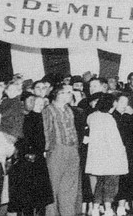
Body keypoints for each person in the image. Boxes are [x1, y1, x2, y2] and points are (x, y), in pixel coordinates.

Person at [8, 94, 54, 216]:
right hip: (30, 160)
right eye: (35, 103)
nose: (39, 105)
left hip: (39, 160)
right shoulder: (28, 118)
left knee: (41, 198)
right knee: (29, 197)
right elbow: (23, 139)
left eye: (41, 103)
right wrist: (27, 153)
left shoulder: (44, 118)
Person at [85, 93, 129, 216]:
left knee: (100, 183)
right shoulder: (108, 119)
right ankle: (108, 209)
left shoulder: (92, 117)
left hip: (97, 158)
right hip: (110, 158)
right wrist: (121, 153)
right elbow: (114, 140)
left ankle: (95, 208)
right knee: (111, 185)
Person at [44, 84, 83, 216]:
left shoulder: (69, 110)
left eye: (70, 92)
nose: (70, 95)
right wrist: (48, 150)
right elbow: (46, 131)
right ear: (57, 94)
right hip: (57, 151)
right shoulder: (48, 110)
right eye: (67, 92)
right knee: (52, 187)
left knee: (70, 187)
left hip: (72, 149)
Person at [113, 93, 133, 216]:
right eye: (121, 103)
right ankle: (121, 205)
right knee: (121, 179)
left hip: (129, 151)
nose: (124, 106)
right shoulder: (112, 116)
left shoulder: (132, 116)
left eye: (126, 103)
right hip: (117, 153)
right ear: (115, 103)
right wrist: (128, 116)